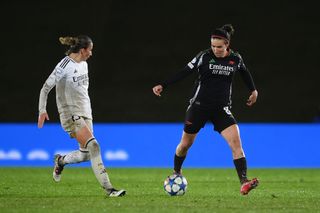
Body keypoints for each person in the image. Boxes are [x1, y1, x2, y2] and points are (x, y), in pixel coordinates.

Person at [152, 24, 259, 195]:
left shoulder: (236, 59)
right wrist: (163, 85)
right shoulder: (204, 56)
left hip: (221, 109)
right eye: (213, 46)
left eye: (219, 47)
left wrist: (253, 90)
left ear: (227, 45)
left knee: (236, 143)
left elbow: (245, 73)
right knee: (185, 145)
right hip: (199, 107)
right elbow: (184, 71)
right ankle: (176, 172)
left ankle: (244, 181)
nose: (216, 50)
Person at [38, 35, 126, 197]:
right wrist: (42, 110)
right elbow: (45, 87)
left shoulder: (84, 64)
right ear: (83, 50)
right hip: (70, 113)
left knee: (86, 154)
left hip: (86, 112)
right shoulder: (64, 65)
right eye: (90, 50)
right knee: (94, 146)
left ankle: (61, 161)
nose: (91, 54)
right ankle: (110, 189)